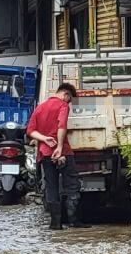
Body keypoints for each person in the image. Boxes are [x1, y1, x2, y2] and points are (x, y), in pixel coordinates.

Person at [27, 82, 90, 230]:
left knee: (51, 187)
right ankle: (73, 221)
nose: (68, 103)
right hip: (63, 153)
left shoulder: (40, 108)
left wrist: (44, 139)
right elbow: (62, 125)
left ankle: (55, 224)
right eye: (69, 100)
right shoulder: (62, 106)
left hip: (45, 153)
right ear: (66, 95)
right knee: (72, 186)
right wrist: (60, 147)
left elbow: (30, 131)